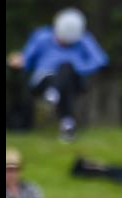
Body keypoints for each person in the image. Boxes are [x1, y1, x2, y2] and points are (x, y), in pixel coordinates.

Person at [7, 7, 108, 141]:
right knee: (60, 82)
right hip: (44, 80)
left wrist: (78, 68)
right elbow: (27, 59)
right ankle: (67, 124)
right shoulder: (41, 36)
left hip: (72, 79)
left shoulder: (84, 39)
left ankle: (53, 94)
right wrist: (18, 60)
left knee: (66, 68)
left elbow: (100, 60)